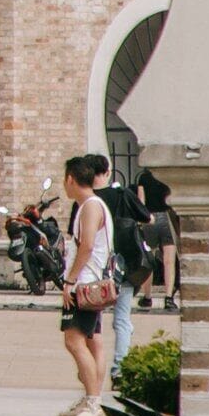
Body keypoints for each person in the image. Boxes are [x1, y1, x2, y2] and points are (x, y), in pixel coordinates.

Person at [54, 155, 115, 416]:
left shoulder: (90, 206)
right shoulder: (92, 205)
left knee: (74, 340)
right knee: (92, 341)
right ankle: (91, 398)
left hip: (85, 283)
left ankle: (93, 402)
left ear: (71, 179)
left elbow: (86, 246)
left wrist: (70, 280)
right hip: (91, 281)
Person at [81, 151, 145, 366]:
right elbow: (148, 217)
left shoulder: (85, 201)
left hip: (93, 269)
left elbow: (78, 238)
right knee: (122, 319)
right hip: (123, 266)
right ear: (107, 172)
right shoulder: (123, 195)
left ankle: (92, 366)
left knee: (92, 321)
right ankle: (120, 366)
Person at [137, 163, 179, 312]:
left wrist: (141, 220)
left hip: (149, 217)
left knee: (149, 259)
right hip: (166, 217)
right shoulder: (167, 176)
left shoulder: (143, 177)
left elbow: (141, 201)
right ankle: (169, 297)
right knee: (169, 261)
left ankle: (148, 297)